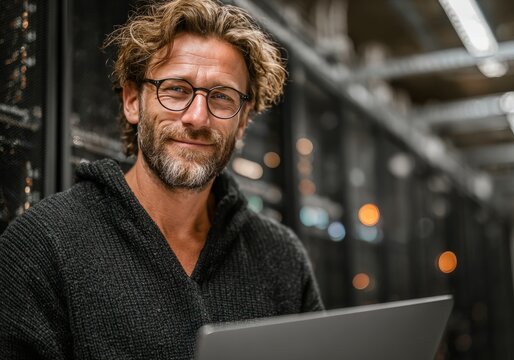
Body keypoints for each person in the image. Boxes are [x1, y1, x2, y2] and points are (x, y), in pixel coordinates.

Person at [0, 0, 323, 359]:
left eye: (221, 97)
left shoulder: (282, 256)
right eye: (176, 90)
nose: (197, 118)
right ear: (132, 101)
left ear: (243, 120)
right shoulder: (42, 246)